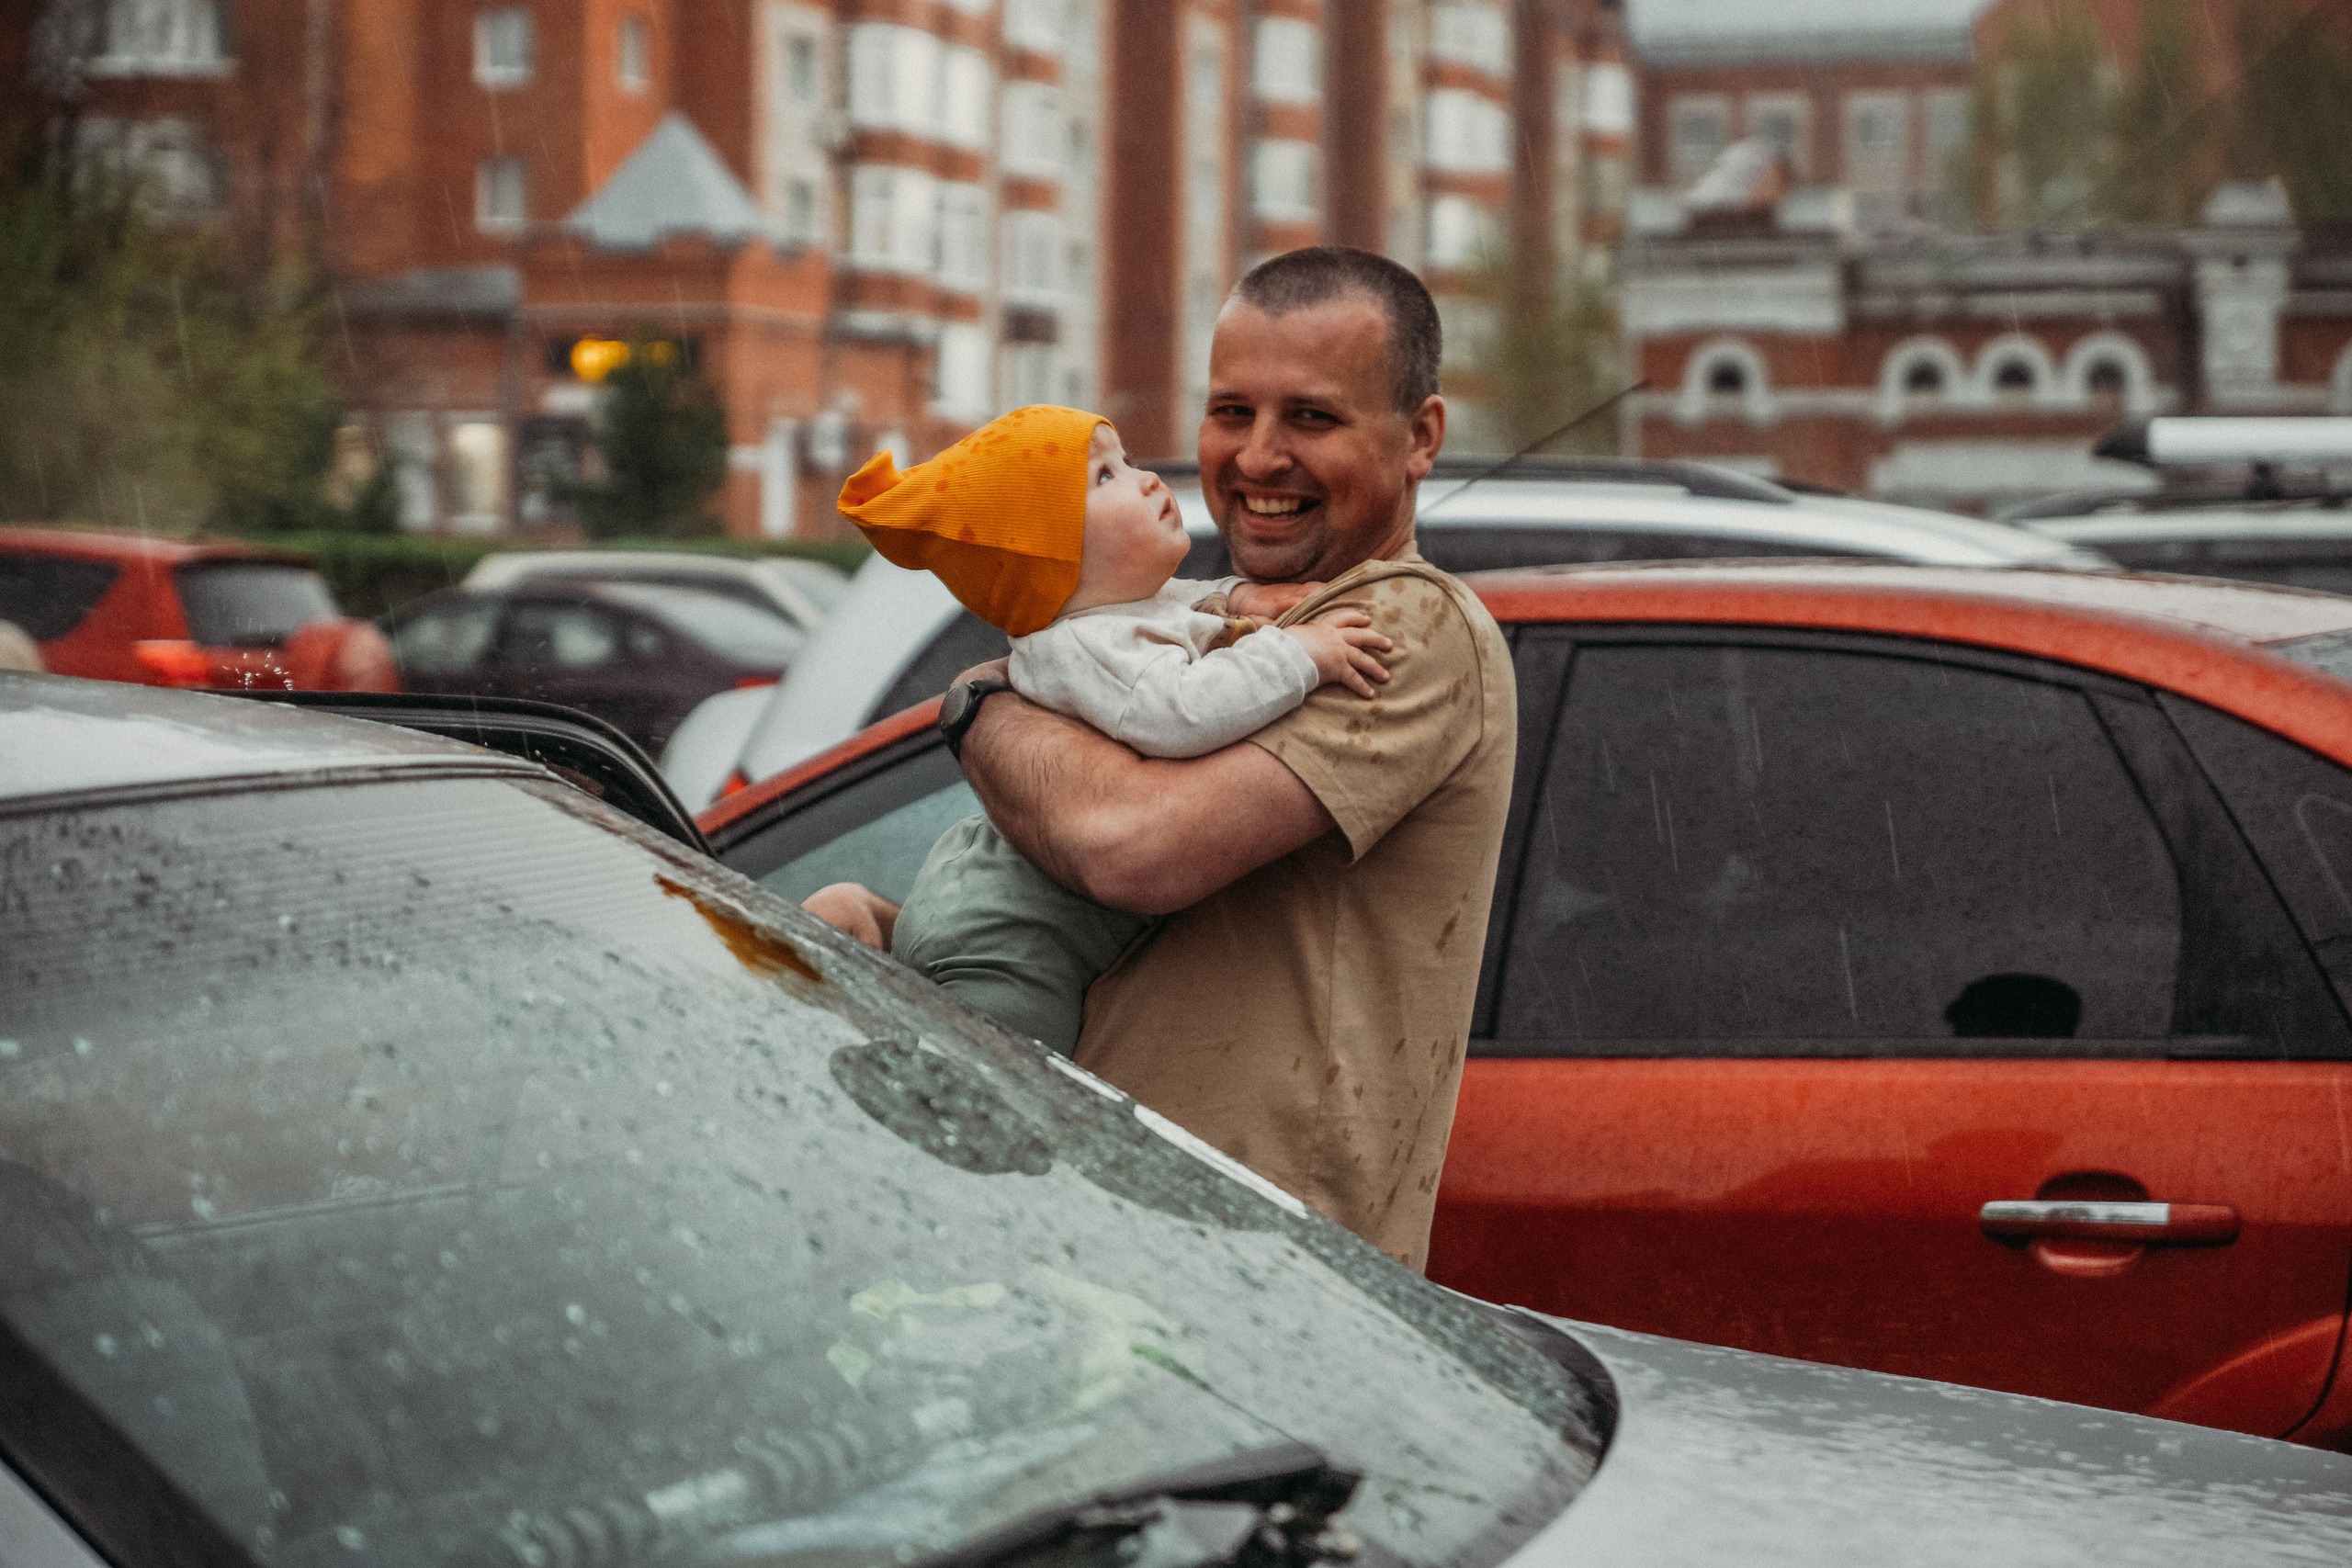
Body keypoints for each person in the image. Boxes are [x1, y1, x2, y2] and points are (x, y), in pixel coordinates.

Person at [809, 247, 1515, 1271]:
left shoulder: (1400, 627)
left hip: (1266, 1275)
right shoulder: (1185, 622)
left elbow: (1130, 850)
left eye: (1310, 418)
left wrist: (980, 707)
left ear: (1421, 437)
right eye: (1232, 412)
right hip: (1121, 1258)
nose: (1259, 456)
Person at [831, 404, 1394, 1055]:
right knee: (1002, 1099)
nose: (1146, 479)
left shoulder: (1113, 613)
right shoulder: (1083, 648)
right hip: (1004, 939)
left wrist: (1236, 599)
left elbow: (1179, 601)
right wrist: (1303, 655)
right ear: (1051, 558)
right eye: (1104, 478)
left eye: (1126, 461)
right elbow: (1182, 712)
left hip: (1006, 907)